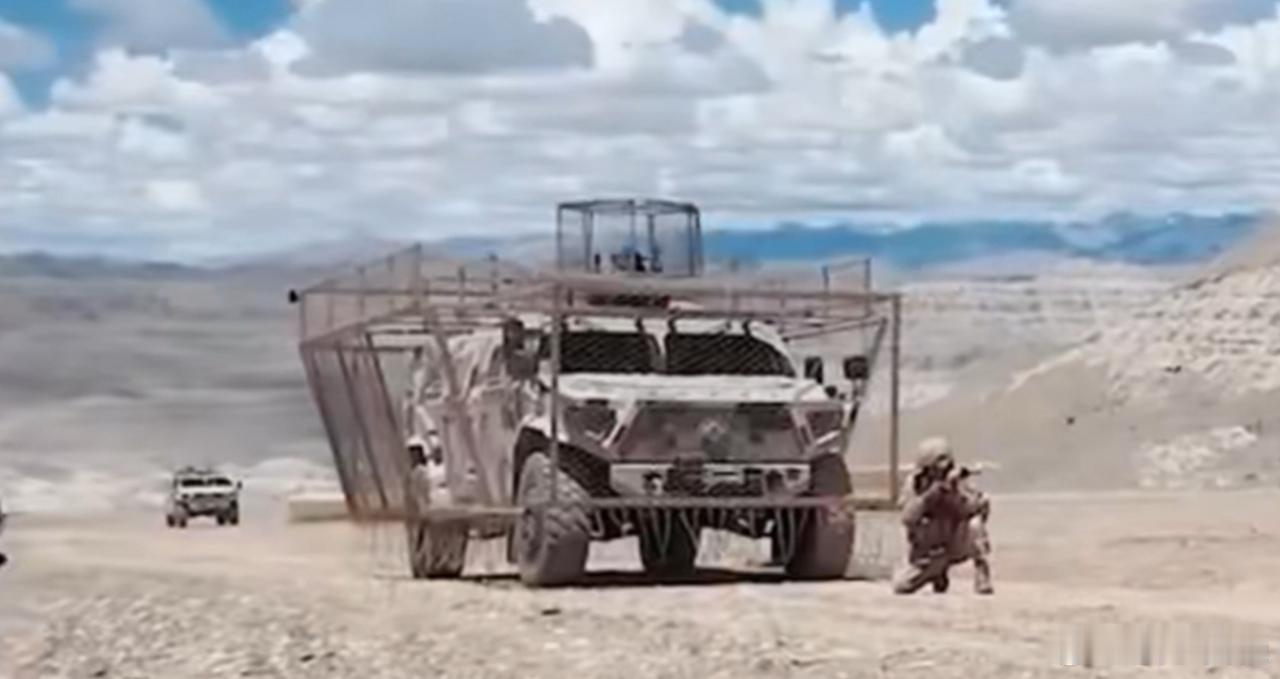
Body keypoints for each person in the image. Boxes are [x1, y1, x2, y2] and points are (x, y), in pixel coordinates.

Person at [892, 437, 993, 595]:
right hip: (928, 552)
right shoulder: (914, 485)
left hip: (953, 543)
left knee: (975, 525)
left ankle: (982, 573)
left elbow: (971, 508)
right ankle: (936, 572)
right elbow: (908, 518)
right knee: (901, 586)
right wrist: (933, 493)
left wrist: (953, 494)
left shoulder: (955, 482)